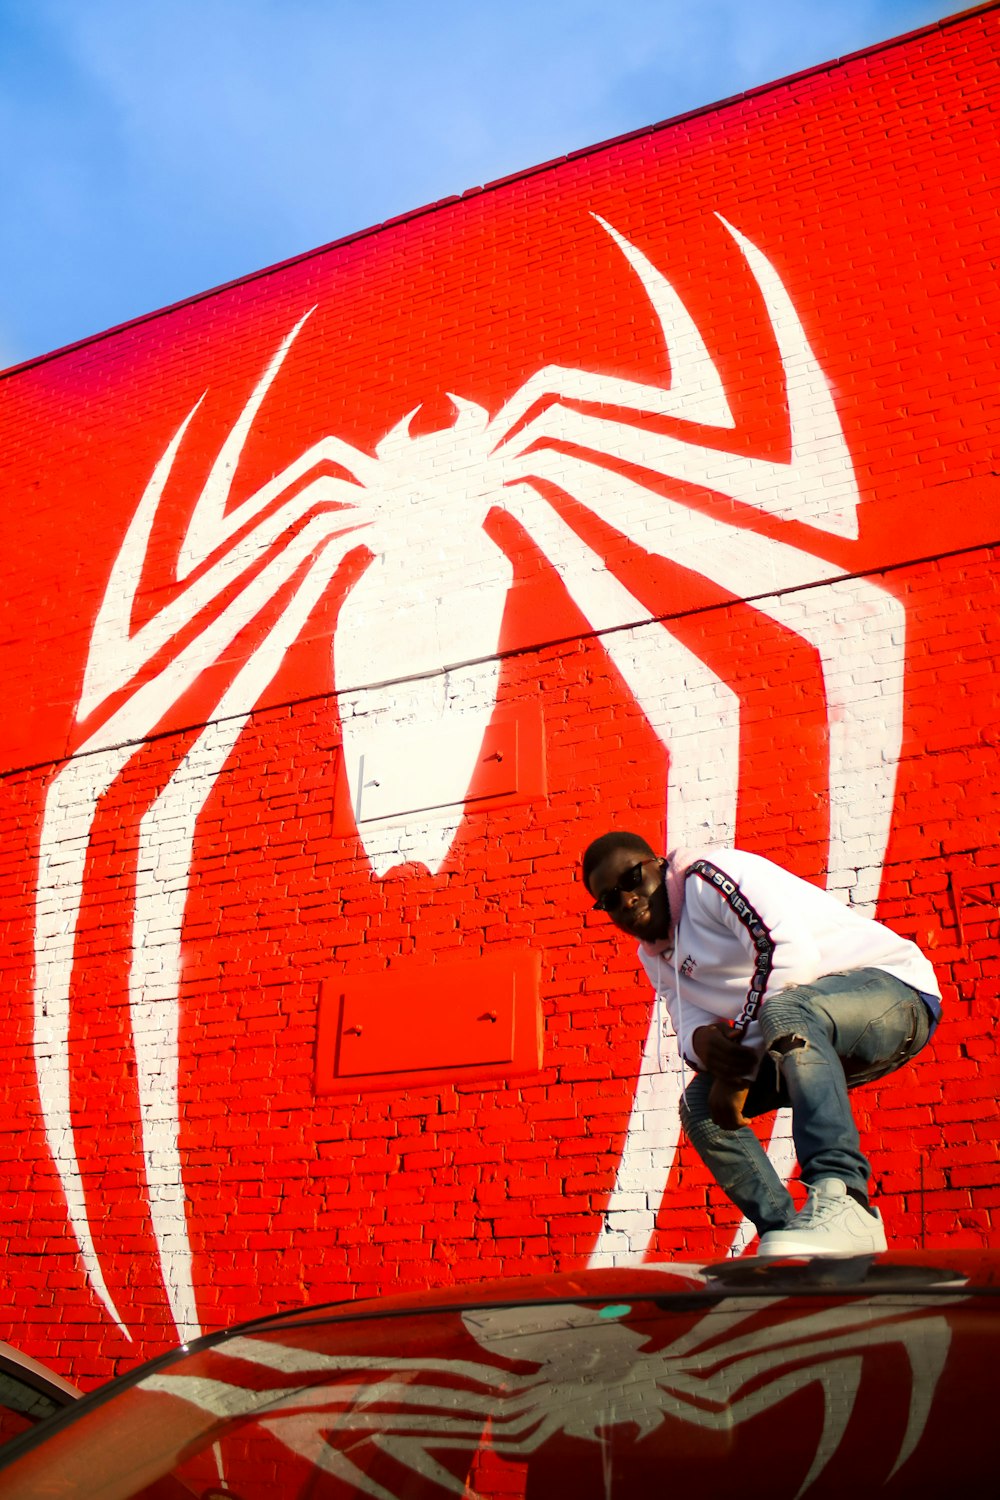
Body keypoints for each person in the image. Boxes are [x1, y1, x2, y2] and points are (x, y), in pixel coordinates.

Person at [581, 832, 942, 1256]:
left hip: (894, 996)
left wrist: (738, 1074)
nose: (625, 900)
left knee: (783, 1011)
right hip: (811, 1036)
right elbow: (688, 1019)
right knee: (700, 1108)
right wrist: (704, 1043)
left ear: (658, 865)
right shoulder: (653, 955)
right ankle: (789, 1234)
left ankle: (844, 1201)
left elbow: (788, 957)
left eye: (631, 878)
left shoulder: (709, 878)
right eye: (607, 899)